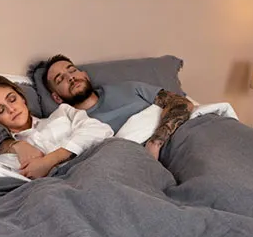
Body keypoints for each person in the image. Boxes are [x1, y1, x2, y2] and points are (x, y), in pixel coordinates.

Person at [0, 75, 114, 182]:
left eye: (12, 99)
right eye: (0, 110)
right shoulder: (10, 155)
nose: (11, 109)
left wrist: (49, 161)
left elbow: (101, 130)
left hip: (97, 167)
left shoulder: (62, 113)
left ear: (22, 98)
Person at [36, 56, 195, 160]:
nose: (70, 77)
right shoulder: (75, 126)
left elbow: (182, 104)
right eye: (60, 79)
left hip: (180, 138)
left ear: (85, 75)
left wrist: (156, 142)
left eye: (72, 70)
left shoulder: (130, 88)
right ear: (57, 98)